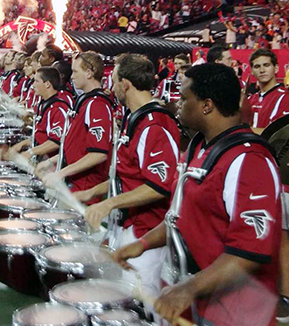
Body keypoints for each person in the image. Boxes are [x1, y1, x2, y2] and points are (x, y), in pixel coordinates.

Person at [114, 63, 282, 326]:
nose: (176, 103)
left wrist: (188, 288)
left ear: (207, 105)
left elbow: (248, 253)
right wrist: (142, 244)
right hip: (201, 304)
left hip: (237, 315)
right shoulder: (200, 147)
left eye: (183, 98)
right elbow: (182, 217)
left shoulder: (249, 161)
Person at [74, 54, 180, 320]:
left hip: (146, 231)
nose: (111, 86)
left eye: (115, 79)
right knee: (125, 306)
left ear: (126, 84)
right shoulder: (137, 118)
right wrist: (96, 192)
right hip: (126, 226)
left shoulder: (155, 124)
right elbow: (129, 176)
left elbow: (159, 186)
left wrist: (110, 203)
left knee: (148, 311)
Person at [39, 51, 114, 205]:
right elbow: (74, 146)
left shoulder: (97, 105)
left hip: (84, 189)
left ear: (89, 72)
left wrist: (60, 173)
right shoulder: (87, 102)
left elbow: (98, 154)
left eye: (75, 71)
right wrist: (50, 163)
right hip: (73, 184)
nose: (71, 76)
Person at [8, 67, 68, 161]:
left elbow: (56, 142)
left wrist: (30, 152)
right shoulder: (44, 104)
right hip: (41, 159)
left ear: (47, 84)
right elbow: (41, 138)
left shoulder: (57, 108)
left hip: (51, 165)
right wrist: (21, 144)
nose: (33, 85)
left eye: (36, 81)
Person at [248, 49, 289, 132]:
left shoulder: (285, 97)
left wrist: (244, 133)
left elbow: (277, 134)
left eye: (266, 65)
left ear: (276, 68)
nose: (262, 70)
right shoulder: (250, 100)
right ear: (252, 71)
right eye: (257, 66)